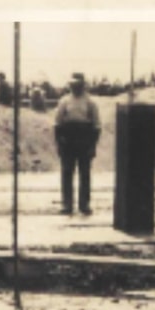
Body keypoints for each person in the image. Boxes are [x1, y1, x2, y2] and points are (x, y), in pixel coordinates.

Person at [54, 72, 101, 215]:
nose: (76, 88)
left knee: (84, 174)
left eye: (78, 85)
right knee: (67, 173)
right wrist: (60, 143)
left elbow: (96, 126)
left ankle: (84, 204)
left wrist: (93, 146)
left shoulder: (90, 102)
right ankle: (67, 204)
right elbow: (57, 124)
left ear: (83, 85)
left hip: (84, 140)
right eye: (73, 85)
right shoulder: (64, 102)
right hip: (68, 141)